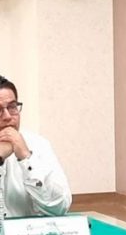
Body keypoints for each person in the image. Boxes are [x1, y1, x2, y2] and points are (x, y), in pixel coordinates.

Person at [0, 75, 72, 221]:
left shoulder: (38, 144)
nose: (7, 116)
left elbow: (60, 207)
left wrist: (26, 158)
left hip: (29, 234)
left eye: (12, 107)